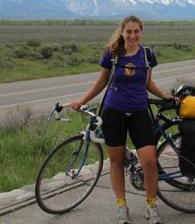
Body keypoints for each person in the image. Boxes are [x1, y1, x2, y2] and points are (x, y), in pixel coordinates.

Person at [71, 15, 172, 224]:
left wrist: (164, 95)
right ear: (122, 32)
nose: (133, 35)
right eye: (129, 32)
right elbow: (101, 82)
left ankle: (151, 206)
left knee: (150, 162)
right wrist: (82, 101)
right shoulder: (112, 54)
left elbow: (148, 83)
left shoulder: (147, 55)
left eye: (136, 32)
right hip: (113, 112)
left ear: (141, 32)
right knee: (116, 161)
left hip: (140, 112)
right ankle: (121, 206)